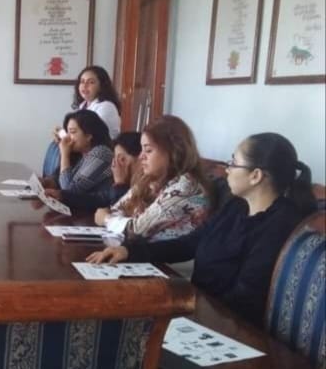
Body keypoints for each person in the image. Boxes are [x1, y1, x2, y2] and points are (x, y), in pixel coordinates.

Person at [86, 133, 317, 325]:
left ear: (255, 176)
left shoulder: (280, 225)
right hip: (198, 308)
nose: (227, 169)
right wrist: (129, 251)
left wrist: (187, 309)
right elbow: (190, 243)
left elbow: (245, 298)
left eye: (233, 163)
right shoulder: (237, 206)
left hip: (227, 324)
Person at [96, 115, 210, 242]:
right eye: (141, 149)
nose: (141, 156)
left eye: (148, 150)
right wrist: (115, 219)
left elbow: (136, 230)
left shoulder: (186, 186)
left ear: (173, 151)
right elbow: (117, 209)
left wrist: (106, 219)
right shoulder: (151, 179)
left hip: (164, 254)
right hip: (135, 249)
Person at [58, 131, 141, 210]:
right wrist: (61, 196)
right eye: (115, 158)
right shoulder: (121, 185)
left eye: (122, 159)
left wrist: (120, 183)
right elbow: (98, 199)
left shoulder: (144, 189)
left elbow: (119, 213)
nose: (115, 165)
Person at [44, 110, 113, 201]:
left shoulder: (101, 152)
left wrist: (65, 154)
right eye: (67, 132)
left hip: (92, 209)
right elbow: (61, 179)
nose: (67, 138)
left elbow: (68, 191)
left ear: (88, 136)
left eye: (72, 132)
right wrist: (46, 182)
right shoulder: (81, 152)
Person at [71, 65, 121, 139]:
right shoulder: (82, 106)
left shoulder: (106, 106)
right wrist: (62, 134)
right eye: (82, 81)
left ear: (102, 86)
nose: (85, 85)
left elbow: (89, 136)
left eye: (91, 82)